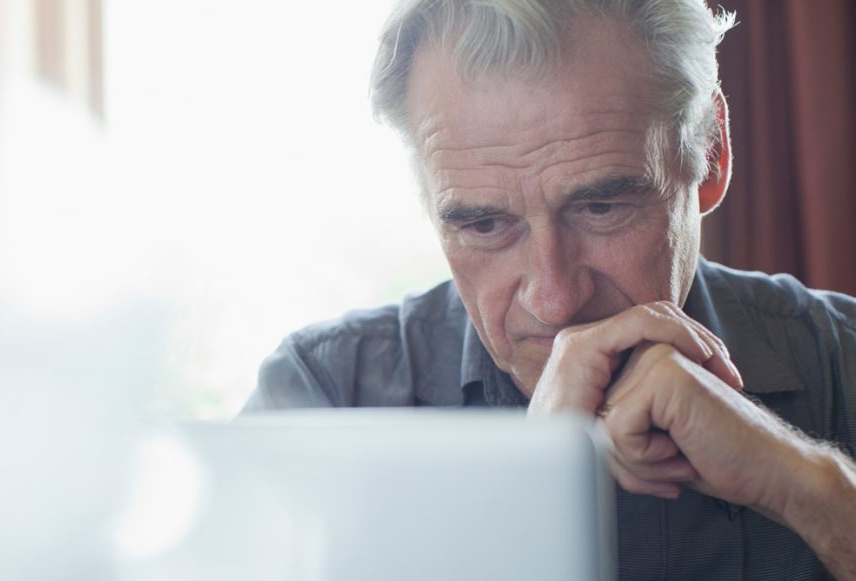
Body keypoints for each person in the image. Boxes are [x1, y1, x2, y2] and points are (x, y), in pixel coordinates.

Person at [243, 0, 856, 578]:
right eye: (484, 224)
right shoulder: (323, 397)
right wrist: (532, 491)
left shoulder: (841, 359)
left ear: (711, 153)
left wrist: (802, 486)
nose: (555, 300)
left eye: (601, 206)